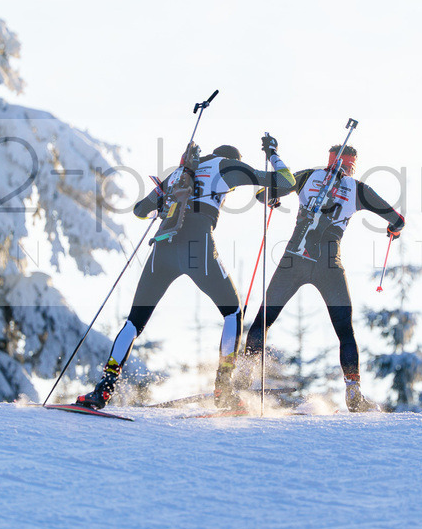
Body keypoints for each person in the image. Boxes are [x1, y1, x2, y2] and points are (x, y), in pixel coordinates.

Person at [75, 137, 294, 409]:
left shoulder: (183, 172)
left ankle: (103, 390)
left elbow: (141, 211)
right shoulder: (228, 167)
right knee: (232, 312)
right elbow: (286, 182)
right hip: (196, 246)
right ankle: (223, 389)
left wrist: (165, 204)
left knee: (134, 322)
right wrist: (273, 153)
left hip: (162, 249)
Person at [234, 144, 404, 412]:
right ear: (352, 164)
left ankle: (242, 381)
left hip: (294, 258)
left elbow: (262, 195)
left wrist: (273, 197)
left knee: (264, 320)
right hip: (329, 263)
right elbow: (398, 218)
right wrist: (394, 228)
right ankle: (353, 391)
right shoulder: (358, 188)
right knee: (344, 330)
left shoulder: (307, 176)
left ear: (330, 160)